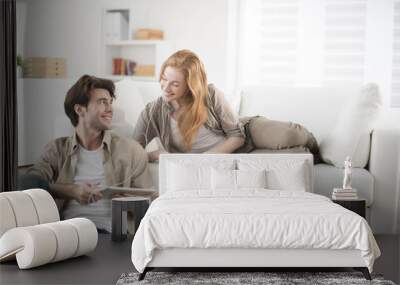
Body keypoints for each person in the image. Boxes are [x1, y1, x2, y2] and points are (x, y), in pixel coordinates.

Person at [133, 49, 320, 162]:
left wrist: (206, 159)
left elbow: (237, 136)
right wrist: (156, 155)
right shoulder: (153, 112)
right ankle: (313, 156)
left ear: (191, 86)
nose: (165, 88)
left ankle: (314, 142)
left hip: (246, 134)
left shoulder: (211, 94)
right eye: (164, 79)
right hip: (235, 156)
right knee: (297, 157)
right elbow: (132, 151)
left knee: (289, 135)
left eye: (175, 84)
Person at [19, 75, 153, 232]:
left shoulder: (132, 151)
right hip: (67, 233)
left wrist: (126, 202)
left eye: (110, 102)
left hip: (111, 235)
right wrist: (70, 191)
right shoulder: (56, 150)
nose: (110, 109)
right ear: (79, 109)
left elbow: (151, 207)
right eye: (103, 102)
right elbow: (26, 184)